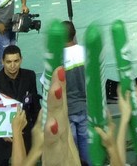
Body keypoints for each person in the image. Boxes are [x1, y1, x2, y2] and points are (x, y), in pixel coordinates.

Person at [0, 45, 40, 166]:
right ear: (2, 61)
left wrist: (37, 130)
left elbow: (35, 107)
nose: (12, 65)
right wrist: (1, 132)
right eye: (8, 62)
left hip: (25, 133)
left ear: (21, 60)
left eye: (16, 61)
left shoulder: (30, 76)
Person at [62, 21, 90, 165]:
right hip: (86, 108)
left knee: (72, 154)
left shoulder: (58, 58)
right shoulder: (86, 52)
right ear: (74, 34)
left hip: (67, 111)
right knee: (87, 150)